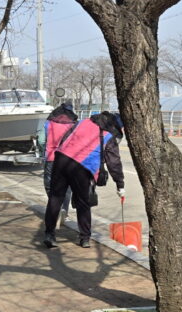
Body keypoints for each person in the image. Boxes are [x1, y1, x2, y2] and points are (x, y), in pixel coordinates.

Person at [43, 111, 125, 249]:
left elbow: (66, 137)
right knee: (83, 202)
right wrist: (120, 184)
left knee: (55, 198)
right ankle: (84, 238)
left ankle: (49, 235)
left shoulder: (84, 121)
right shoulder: (108, 134)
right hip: (81, 166)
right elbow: (114, 162)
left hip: (61, 158)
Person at [43, 100, 78, 225]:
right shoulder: (74, 124)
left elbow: (43, 140)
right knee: (67, 187)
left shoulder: (49, 122)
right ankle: (64, 211)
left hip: (51, 158)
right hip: (68, 159)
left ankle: (55, 208)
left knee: (50, 185)